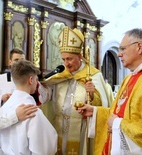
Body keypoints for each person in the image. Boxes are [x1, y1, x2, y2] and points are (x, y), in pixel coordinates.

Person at [76, 28, 142, 154]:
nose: (118, 54)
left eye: (123, 49)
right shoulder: (129, 78)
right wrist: (95, 112)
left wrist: (117, 125)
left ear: (139, 47)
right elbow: (119, 113)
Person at [41, 26, 111, 155]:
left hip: (81, 129)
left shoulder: (93, 75)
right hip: (58, 126)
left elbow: (103, 106)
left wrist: (92, 93)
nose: (66, 63)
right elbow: (47, 96)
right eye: (63, 59)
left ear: (79, 56)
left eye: (69, 59)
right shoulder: (61, 74)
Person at [0, 60, 57, 154]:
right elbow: (44, 149)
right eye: (36, 80)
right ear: (31, 80)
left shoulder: (4, 108)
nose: (37, 84)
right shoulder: (31, 111)